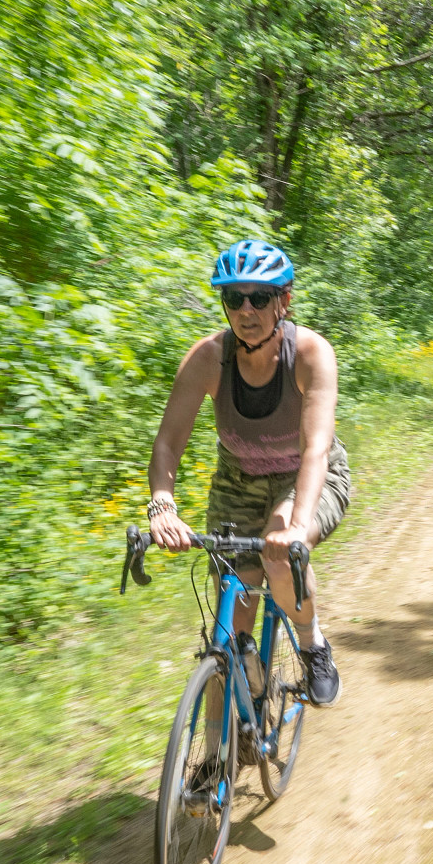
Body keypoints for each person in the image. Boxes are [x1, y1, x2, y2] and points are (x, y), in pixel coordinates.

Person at [145, 239, 348, 707]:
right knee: (227, 631)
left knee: (279, 557)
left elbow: (315, 448)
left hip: (308, 475)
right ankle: (216, 760)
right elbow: (168, 442)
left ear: (284, 301)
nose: (246, 309)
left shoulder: (312, 354)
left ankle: (313, 645)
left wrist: (297, 526)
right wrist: (162, 505)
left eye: (259, 296)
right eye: (234, 298)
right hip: (238, 484)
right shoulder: (208, 358)